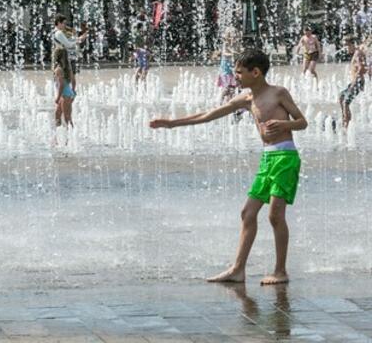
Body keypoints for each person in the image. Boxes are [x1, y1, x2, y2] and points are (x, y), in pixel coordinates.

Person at [150, 50, 307, 285]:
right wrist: (172, 124)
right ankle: (237, 269)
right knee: (248, 213)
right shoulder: (246, 99)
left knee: (275, 216)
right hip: (267, 159)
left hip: (286, 157)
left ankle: (280, 271)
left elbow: (303, 122)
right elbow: (210, 114)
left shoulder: (278, 93)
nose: (236, 77)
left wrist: (285, 123)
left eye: (239, 72)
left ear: (256, 72)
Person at [339, 37, 367, 128]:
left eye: (346, 46)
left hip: (357, 82)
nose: (345, 48)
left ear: (351, 44)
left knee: (345, 102)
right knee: (341, 96)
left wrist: (355, 82)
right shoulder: (356, 53)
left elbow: (361, 68)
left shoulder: (358, 54)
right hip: (355, 82)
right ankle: (346, 121)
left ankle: (346, 126)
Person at [53, 46, 76, 127]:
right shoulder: (67, 67)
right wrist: (73, 92)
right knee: (57, 114)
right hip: (67, 94)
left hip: (64, 95)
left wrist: (58, 97)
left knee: (67, 118)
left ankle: (71, 136)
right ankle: (58, 134)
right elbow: (73, 81)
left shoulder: (58, 69)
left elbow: (61, 85)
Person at [217, 27, 241, 103]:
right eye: (232, 35)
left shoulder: (237, 43)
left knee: (233, 87)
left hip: (234, 68)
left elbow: (239, 51)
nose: (234, 37)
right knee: (226, 87)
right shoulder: (226, 43)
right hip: (226, 69)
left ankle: (230, 103)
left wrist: (240, 52)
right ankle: (220, 102)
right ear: (228, 36)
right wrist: (232, 53)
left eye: (235, 35)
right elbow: (224, 53)